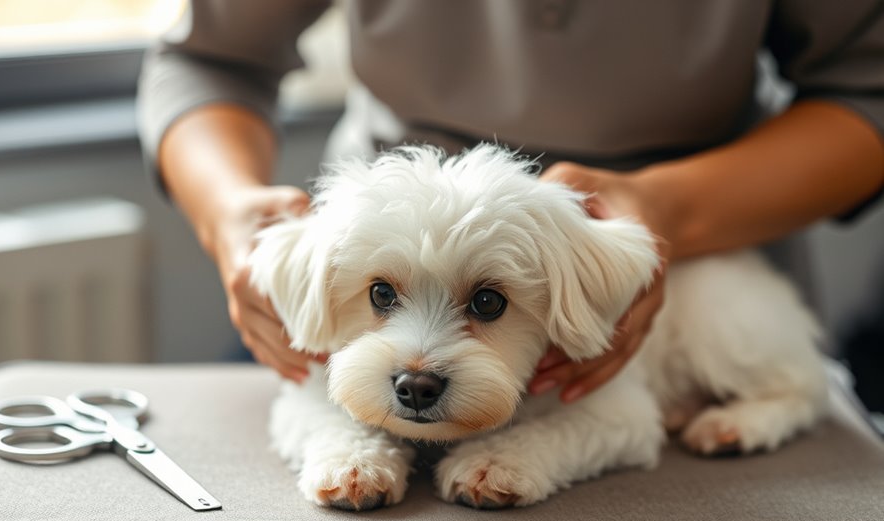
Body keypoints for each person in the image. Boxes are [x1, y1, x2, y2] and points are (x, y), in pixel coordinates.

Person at [138, 0, 884, 403]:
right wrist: (230, 210)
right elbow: (210, 56)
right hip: (360, 287)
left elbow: (869, 89)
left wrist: (668, 210)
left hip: (701, 261)